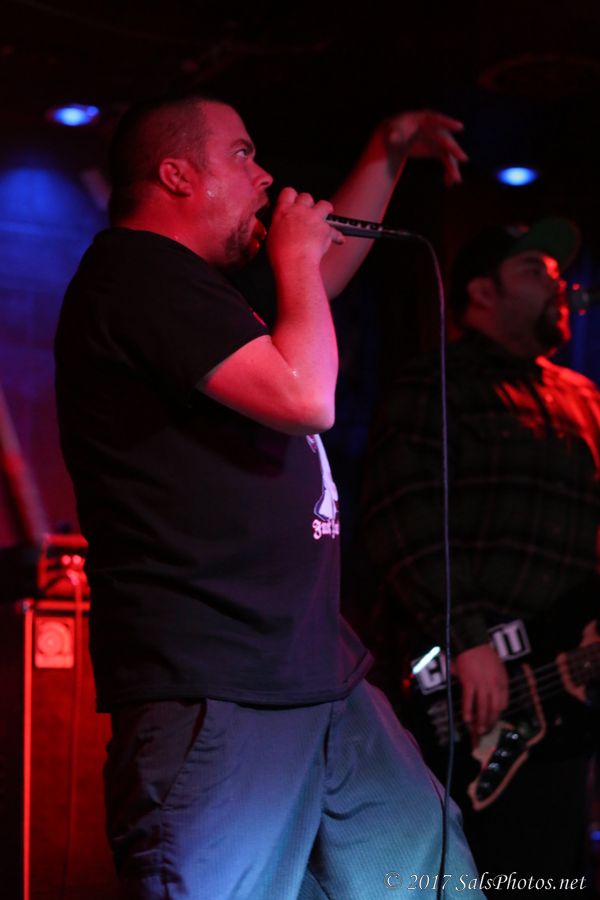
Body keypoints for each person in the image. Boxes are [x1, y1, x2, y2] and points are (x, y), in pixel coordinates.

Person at [54, 93, 483, 899]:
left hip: (317, 671)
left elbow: (321, 281)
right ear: (177, 175)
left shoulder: (199, 291)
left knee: (431, 883)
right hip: (217, 679)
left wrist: (388, 147)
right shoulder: (134, 273)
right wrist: (293, 260)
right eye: (243, 154)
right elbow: (306, 396)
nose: (265, 176)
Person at [361, 219, 600, 893]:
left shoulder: (585, 398)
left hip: (565, 698)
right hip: (465, 687)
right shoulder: (436, 382)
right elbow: (400, 515)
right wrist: (466, 638)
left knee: (554, 869)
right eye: (535, 270)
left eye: (560, 273)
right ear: (482, 291)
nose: (559, 284)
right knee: (477, 870)